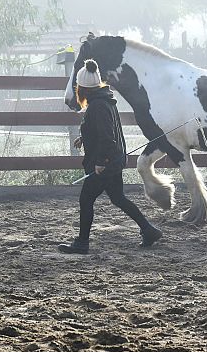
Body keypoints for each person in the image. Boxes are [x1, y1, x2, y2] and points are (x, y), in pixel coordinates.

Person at [58, 59, 163, 254]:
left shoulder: (98, 105)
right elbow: (105, 130)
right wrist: (85, 136)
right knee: (118, 198)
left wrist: (101, 163)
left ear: (83, 88)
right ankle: (149, 230)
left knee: (86, 199)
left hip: (105, 164)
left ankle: (82, 243)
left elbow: (107, 138)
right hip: (113, 161)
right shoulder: (105, 101)